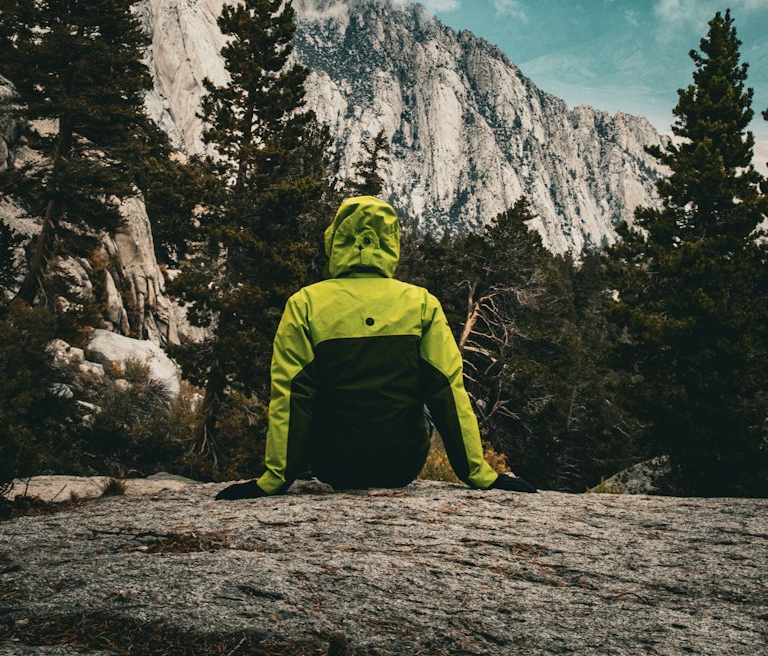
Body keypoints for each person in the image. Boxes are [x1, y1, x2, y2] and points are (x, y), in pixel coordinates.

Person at [216, 195, 536, 498]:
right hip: (401, 466)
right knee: (425, 395)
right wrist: (480, 473)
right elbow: (448, 393)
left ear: (336, 242)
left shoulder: (304, 304)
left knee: (314, 393)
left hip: (333, 466)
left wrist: (274, 479)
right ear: (391, 245)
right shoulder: (422, 304)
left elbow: (290, 397)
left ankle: (297, 468)